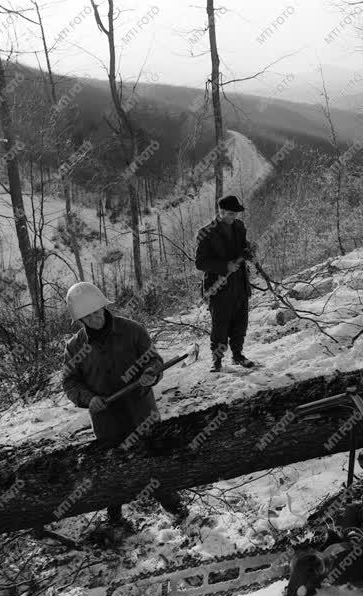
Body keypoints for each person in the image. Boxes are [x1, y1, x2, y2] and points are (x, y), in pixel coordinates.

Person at [62, 282, 187, 527]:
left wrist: (151, 372)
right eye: (88, 316)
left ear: (104, 306)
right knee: (111, 468)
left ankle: (175, 508)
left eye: (97, 311)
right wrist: (89, 399)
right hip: (107, 420)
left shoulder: (133, 330)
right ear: (79, 320)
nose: (95, 318)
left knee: (153, 460)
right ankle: (115, 518)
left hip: (140, 412)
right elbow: (70, 383)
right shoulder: (75, 347)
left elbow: (153, 360)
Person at [195, 195, 255, 373]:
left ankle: (238, 355)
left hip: (240, 284)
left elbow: (243, 249)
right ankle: (217, 361)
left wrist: (250, 252)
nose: (233, 217)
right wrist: (224, 266)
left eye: (235, 214)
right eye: (230, 213)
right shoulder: (205, 232)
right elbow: (200, 263)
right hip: (218, 287)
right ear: (220, 212)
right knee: (220, 326)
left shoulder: (239, 226)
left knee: (240, 324)